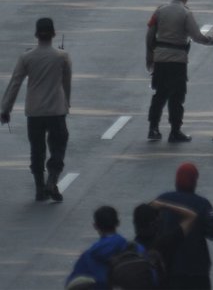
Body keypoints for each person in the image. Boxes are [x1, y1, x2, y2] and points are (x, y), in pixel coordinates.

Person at [1, 17, 71, 202]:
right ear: (54, 34)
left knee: (37, 149)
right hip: (56, 111)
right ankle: (52, 179)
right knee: (58, 146)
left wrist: (5, 109)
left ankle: (40, 187)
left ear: (36, 35)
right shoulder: (62, 57)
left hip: (34, 112)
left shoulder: (27, 57)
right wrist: (67, 104)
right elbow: (66, 84)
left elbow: (15, 84)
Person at [146, 0, 213, 143]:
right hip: (177, 61)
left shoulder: (160, 10)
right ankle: (175, 131)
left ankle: (153, 128)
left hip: (161, 60)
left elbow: (150, 35)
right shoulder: (185, 13)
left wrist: (150, 57)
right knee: (177, 97)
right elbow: (197, 36)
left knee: (160, 95)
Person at [154, 163, 213, 289]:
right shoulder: (203, 204)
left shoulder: (163, 200)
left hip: (170, 267)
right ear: (194, 181)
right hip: (197, 268)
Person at [66, 205, 148, 290]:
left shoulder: (87, 257)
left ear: (95, 226)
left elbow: (72, 285)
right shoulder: (137, 249)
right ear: (118, 223)